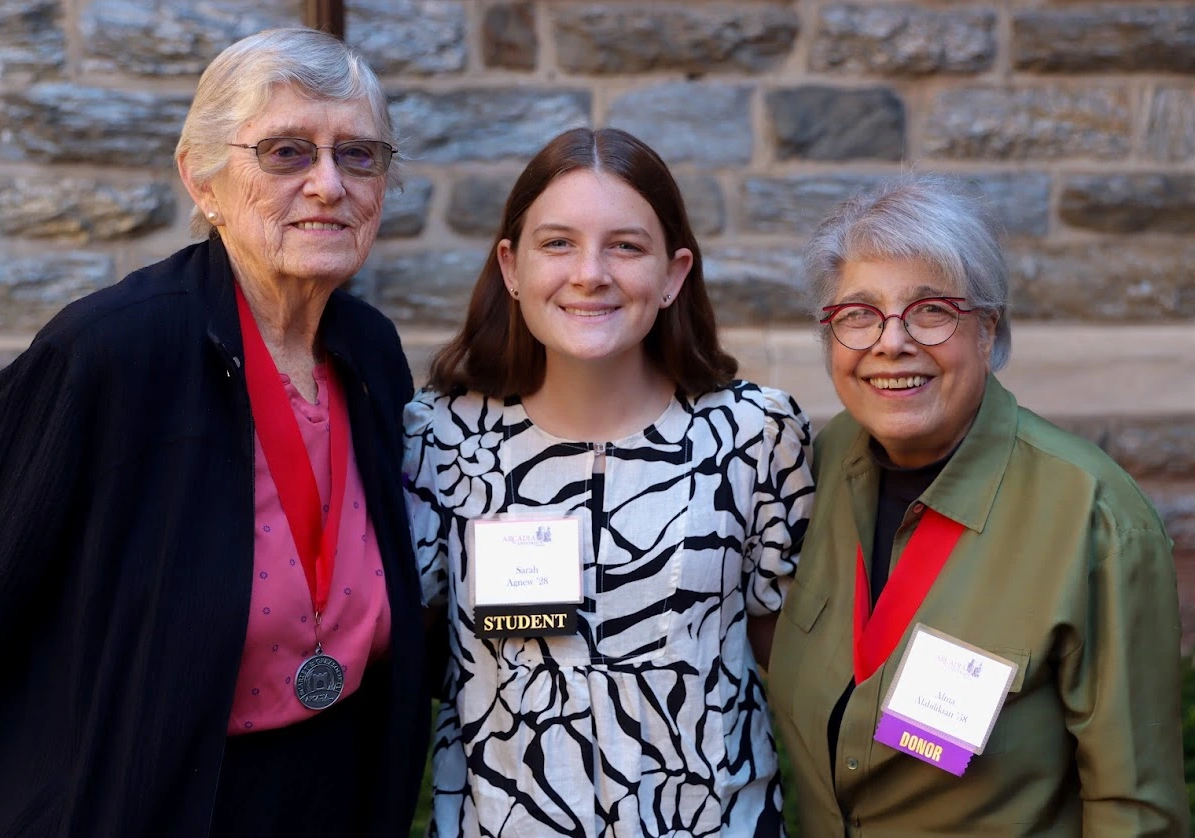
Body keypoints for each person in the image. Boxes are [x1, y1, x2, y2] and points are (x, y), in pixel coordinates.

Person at [0, 28, 428, 838]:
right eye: (286, 152)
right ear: (202, 179)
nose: (328, 184)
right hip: (143, 801)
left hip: (330, 790)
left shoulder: (370, 352)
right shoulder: (106, 353)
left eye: (359, 155)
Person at [403, 127, 815, 837]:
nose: (590, 273)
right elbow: (407, 654)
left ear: (673, 274)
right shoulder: (439, 442)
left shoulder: (756, 435)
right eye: (558, 243)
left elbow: (796, 663)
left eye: (625, 246)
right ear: (511, 266)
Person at [767, 175, 1187, 836]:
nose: (891, 342)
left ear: (987, 330)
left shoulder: (1096, 518)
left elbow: (1133, 811)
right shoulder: (817, 466)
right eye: (858, 314)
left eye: (931, 310)